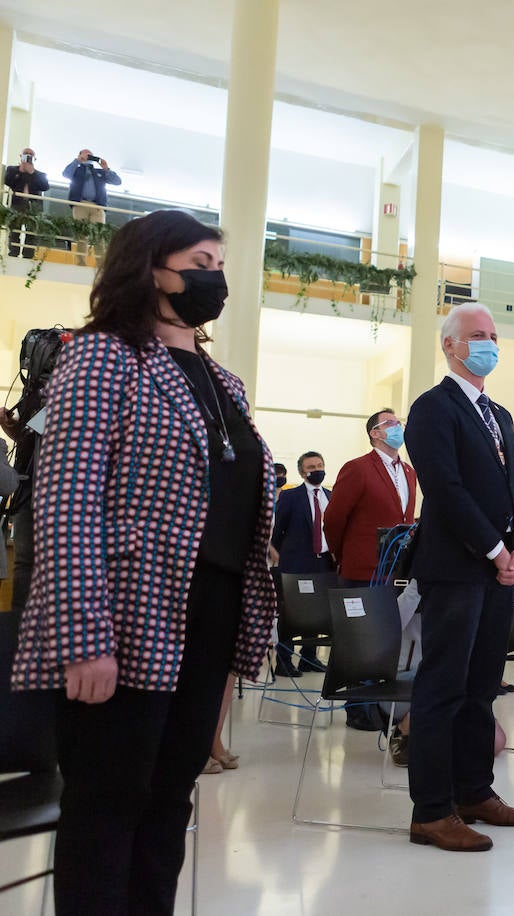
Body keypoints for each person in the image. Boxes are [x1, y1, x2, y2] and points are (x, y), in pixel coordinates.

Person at [10, 209, 276, 915]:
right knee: (109, 801)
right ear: (150, 267)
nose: (213, 278)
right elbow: (66, 504)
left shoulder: (226, 384)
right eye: (199, 263)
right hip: (125, 615)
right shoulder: (101, 357)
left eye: (220, 265)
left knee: (168, 797)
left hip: (210, 609)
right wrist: (83, 636)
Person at [404, 301, 514, 853]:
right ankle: (432, 811)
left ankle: (473, 790)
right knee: (444, 688)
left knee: (481, 687)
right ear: (450, 346)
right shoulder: (433, 409)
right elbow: (446, 489)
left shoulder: (499, 414)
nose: (488, 342)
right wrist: (494, 548)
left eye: (494, 334)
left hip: (499, 573)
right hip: (456, 568)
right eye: (477, 334)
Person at [323, 408, 418, 587]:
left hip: (398, 570)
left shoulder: (409, 472)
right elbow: (333, 518)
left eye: (399, 423)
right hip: (363, 570)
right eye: (390, 423)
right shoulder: (358, 468)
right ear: (374, 433)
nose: (397, 427)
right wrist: (342, 553)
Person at [269, 451, 331, 677]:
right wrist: (278, 552)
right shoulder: (290, 496)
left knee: (316, 612)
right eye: (311, 467)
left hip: (323, 563)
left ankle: (309, 657)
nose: (316, 469)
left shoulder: (331, 495)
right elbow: (278, 530)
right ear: (302, 471)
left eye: (320, 465)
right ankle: (284, 660)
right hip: (296, 563)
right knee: (290, 613)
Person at [62, 150, 121, 262]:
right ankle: (80, 262)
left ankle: (101, 264)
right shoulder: (76, 170)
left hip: (97, 206)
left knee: (99, 235)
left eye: (90, 155)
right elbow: (66, 174)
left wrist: (106, 168)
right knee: (81, 235)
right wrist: (78, 161)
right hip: (80, 204)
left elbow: (117, 181)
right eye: (86, 154)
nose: (88, 157)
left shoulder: (99, 171)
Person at [4, 147, 49, 258]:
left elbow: (45, 187)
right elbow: (8, 181)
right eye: (26, 154)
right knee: (14, 230)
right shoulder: (12, 169)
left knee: (31, 233)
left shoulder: (40, 174)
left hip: (33, 206)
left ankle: (28, 256)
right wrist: (20, 171)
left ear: (34, 158)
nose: (28, 156)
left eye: (30, 155)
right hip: (17, 204)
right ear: (21, 156)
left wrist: (32, 172)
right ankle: (13, 253)